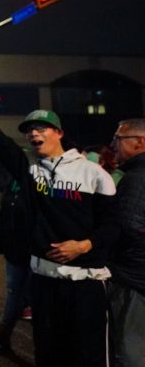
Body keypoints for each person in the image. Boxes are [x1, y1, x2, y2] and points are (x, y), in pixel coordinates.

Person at [0, 79, 116, 367]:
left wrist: (83, 245)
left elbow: (112, 226)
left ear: (59, 132)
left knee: (88, 355)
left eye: (40, 128)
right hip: (44, 282)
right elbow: (0, 143)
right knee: (48, 353)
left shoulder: (94, 173)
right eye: (28, 131)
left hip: (86, 284)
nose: (33, 134)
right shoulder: (29, 170)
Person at [0, 156, 32, 351]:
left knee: (27, 293)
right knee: (13, 291)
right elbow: (2, 186)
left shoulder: (37, 181)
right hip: (14, 249)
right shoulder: (13, 181)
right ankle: (4, 333)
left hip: (33, 249)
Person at [108, 119, 145, 367]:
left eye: (118, 139)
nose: (112, 146)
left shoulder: (136, 178)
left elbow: (127, 227)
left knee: (128, 347)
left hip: (133, 278)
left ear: (140, 142)